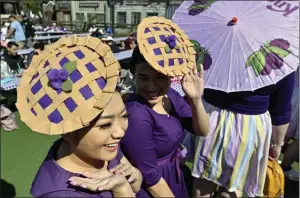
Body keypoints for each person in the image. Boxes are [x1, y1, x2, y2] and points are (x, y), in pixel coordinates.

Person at [16, 35, 142, 197]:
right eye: (105, 125)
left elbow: (135, 185)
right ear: (68, 131)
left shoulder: (101, 148)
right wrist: (122, 189)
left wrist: (135, 176)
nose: (120, 132)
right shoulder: (63, 194)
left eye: (124, 116)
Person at [120, 17, 210, 198]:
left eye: (160, 77)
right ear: (133, 75)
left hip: (173, 175)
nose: (152, 87)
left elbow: (202, 130)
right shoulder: (136, 113)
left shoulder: (171, 96)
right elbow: (150, 177)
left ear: (170, 76)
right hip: (152, 188)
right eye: (143, 77)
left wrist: (196, 100)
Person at [192, 68, 295, 196]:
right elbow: (281, 110)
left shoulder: (218, 49)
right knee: (233, 184)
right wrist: (277, 144)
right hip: (250, 126)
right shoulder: (276, 56)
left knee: (205, 178)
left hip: (212, 116)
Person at [280, 68, 299, 181]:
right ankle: (285, 167)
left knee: (284, 133)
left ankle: (267, 163)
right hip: (295, 92)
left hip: (293, 91)